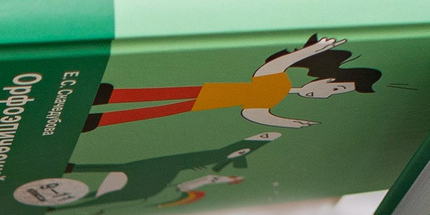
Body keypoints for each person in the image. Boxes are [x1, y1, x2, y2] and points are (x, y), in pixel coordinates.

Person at [83, 36, 381, 132]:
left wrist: (288, 122)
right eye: (338, 87)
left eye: (337, 94)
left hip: (206, 100)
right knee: (156, 98)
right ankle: (103, 99)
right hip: (208, 92)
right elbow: (274, 66)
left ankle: (99, 117)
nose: (328, 94)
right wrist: (310, 51)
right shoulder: (278, 82)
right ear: (329, 78)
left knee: (158, 109)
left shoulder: (276, 99)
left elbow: (253, 115)